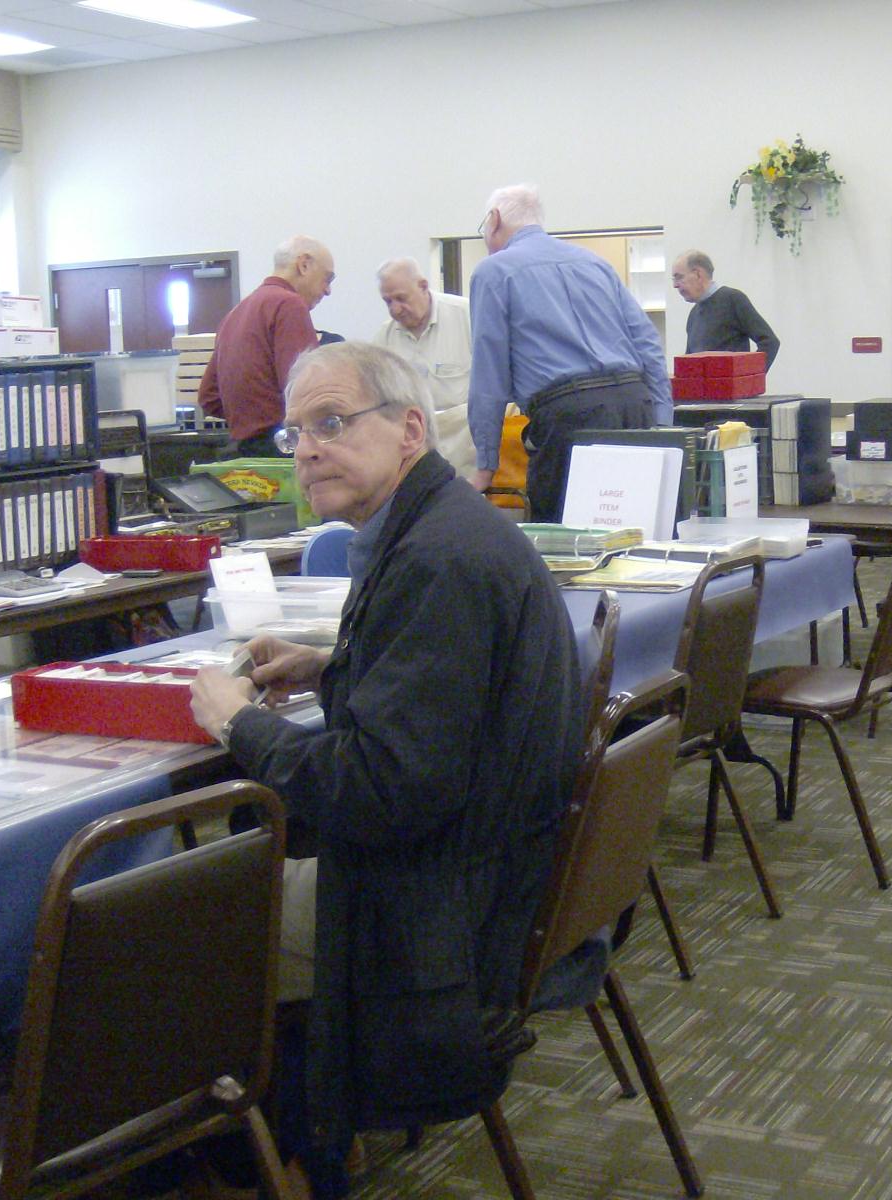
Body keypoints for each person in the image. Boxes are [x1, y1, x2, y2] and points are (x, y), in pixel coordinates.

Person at [189, 341, 582, 1197]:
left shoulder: (435, 562)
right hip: (483, 874)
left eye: (331, 423)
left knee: (180, 923)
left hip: (436, 913)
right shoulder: (442, 527)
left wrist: (240, 723)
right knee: (227, 873)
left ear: (410, 429)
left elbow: (379, 790)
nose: (306, 450)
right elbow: (444, 719)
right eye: (295, 432)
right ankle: (307, 1128)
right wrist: (333, 668)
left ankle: (277, 1154)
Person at [467, 183, 672, 522]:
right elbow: (647, 343)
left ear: (494, 219)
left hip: (569, 417)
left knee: (564, 536)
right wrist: (662, 422)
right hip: (634, 405)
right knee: (636, 525)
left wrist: (486, 464)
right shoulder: (595, 263)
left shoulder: (493, 272)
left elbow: (489, 375)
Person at [199, 235, 335, 457]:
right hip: (284, 447)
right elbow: (306, 387)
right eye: (327, 279)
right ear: (303, 265)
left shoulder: (235, 313)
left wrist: (249, 418)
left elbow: (209, 397)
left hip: (244, 451)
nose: (328, 290)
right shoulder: (289, 304)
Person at [371, 257, 476, 475]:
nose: (395, 309)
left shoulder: (468, 316)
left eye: (401, 298)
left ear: (423, 286)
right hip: (416, 456)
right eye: (388, 302)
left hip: (468, 454)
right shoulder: (384, 337)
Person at [672, 249, 780, 370]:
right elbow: (690, 362)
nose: (675, 285)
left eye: (679, 277)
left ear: (698, 274)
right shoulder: (693, 315)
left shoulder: (733, 299)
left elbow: (769, 342)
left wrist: (748, 376)